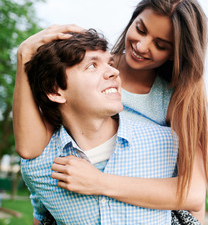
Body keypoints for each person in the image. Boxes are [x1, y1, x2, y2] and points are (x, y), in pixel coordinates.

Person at [14, 0, 208, 223]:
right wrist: (24, 55)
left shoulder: (176, 99)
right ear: (133, 19)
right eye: (140, 29)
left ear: (176, 53)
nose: (141, 46)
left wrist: (99, 182)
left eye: (160, 45)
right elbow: (30, 148)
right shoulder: (85, 72)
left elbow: (193, 193)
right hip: (64, 205)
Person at [21, 29, 182, 224]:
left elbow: (192, 206)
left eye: (110, 64)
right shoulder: (38, 167)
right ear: (55, 91)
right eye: (92, 66)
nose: (114, 71)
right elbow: (41, 217)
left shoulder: (167, 144)